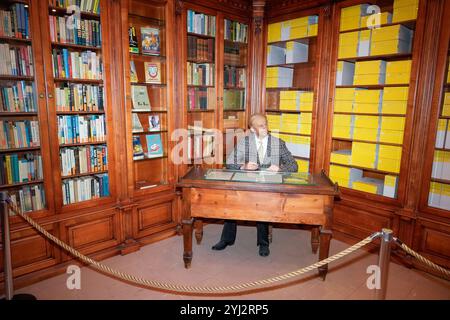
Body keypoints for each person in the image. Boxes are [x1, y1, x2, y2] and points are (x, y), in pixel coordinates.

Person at [211, 113, 298, 257]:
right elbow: (229, 163)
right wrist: (243, 166)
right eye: (260, 126)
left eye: (266, 124)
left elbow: (294, 166)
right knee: (232, 203)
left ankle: (263, 243)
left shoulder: (278, 143)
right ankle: (226, 239)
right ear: (252, 129)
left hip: (268, 187)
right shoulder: (244, 142)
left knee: (262, 206)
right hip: (247, 184)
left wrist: (280, 169)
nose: (265, 128)